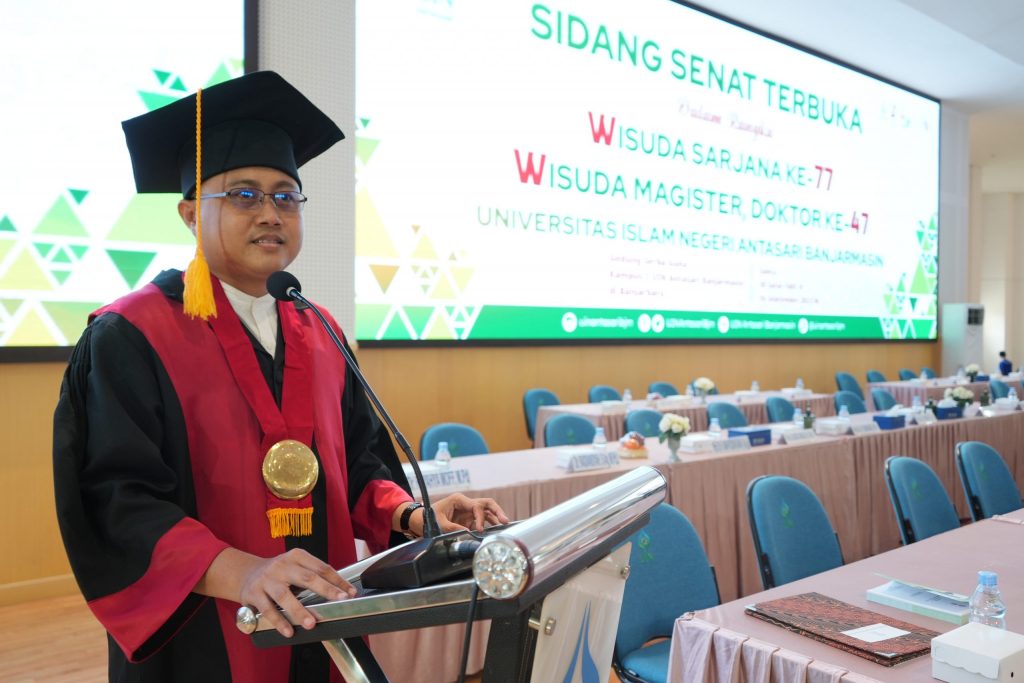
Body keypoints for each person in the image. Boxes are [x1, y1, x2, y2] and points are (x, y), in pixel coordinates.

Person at [52, 71, 509, 682]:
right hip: (204, 636)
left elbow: (362, 467)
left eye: (285, 195)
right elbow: (117, 502)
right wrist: (241, 572)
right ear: (191, 213)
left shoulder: (319, 332)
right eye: (243, 194)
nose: (270, 213)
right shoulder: (132, 335)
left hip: (322, 617)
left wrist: (412, 515)